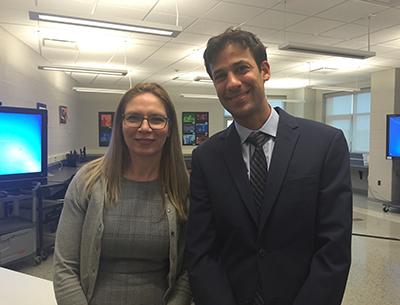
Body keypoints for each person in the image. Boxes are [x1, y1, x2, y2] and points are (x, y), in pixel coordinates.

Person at [186, 28, 352, 305]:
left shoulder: (324, 145)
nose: (233, 82)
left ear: (264, 70)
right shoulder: (206, 157)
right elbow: (201, 250)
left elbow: (334, 248)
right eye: (220, 75)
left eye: (241, 68)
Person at [53, 83, 192, 305]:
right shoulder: (87, 181)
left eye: (156, 119)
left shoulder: (183, 188)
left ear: (169, 128)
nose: (145, 127)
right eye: (134, 117)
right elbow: (64, 266)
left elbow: (188, 271)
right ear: (119, 125)